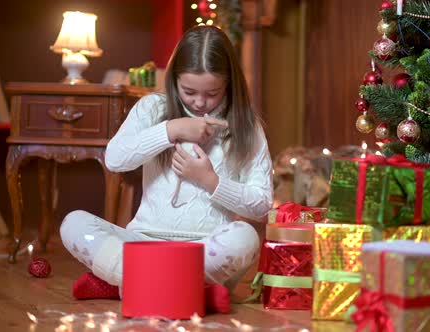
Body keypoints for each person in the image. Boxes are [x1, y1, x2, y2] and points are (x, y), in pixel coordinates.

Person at [59, 25, 273, 314]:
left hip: (204, 248)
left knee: (246, 237)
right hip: (142, 243)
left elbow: (262, 207)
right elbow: (115, 159)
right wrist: (170, 130)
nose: (199, 102)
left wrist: (211, 181)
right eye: (189, 91)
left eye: (212, 93)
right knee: (73, 223)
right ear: (174, 81)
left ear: (230, 84)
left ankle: (122, 283)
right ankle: (198, 293)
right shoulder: (152, 109)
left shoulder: (247, 127)